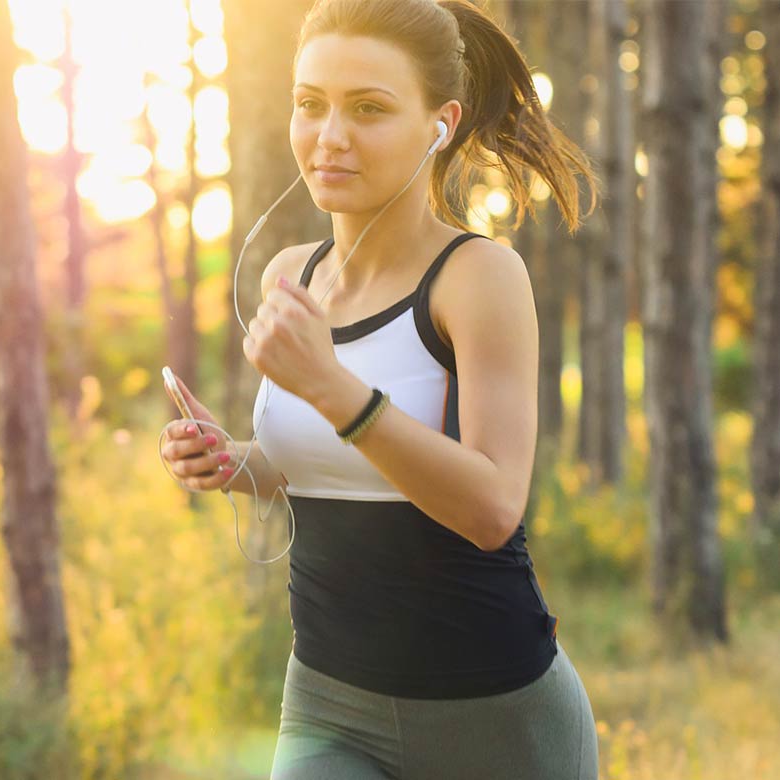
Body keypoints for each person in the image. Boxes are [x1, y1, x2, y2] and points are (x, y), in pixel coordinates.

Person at [161, 0, 602, 777]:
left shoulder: (476, 278)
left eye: (368, 109)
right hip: (329, 705)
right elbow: (324, 468)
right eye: (310, 105)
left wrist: (334, 390)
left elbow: (493, 508)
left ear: (441, 123)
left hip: (495, 716)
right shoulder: (288, 275)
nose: (330, 137)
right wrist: (233, 461)